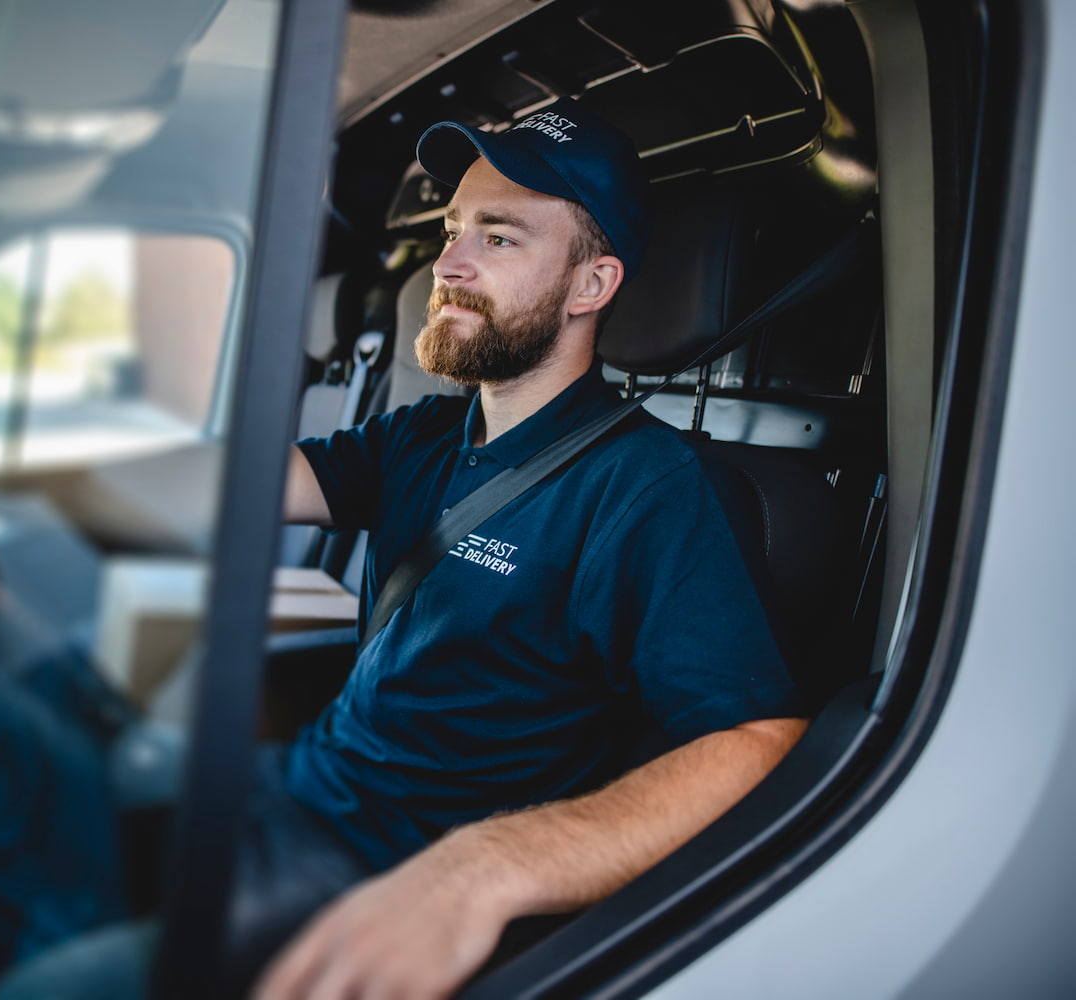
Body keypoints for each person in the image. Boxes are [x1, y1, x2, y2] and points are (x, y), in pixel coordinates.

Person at [245, 96, 807, 998]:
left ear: (591, 286)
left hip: (391, 874)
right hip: (299, 796)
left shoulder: (656, 488)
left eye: (498, 239)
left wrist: (487, 867)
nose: (449, 263)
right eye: (454, 229)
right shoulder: (425, 433)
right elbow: (241, 486)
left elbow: (754, 738)